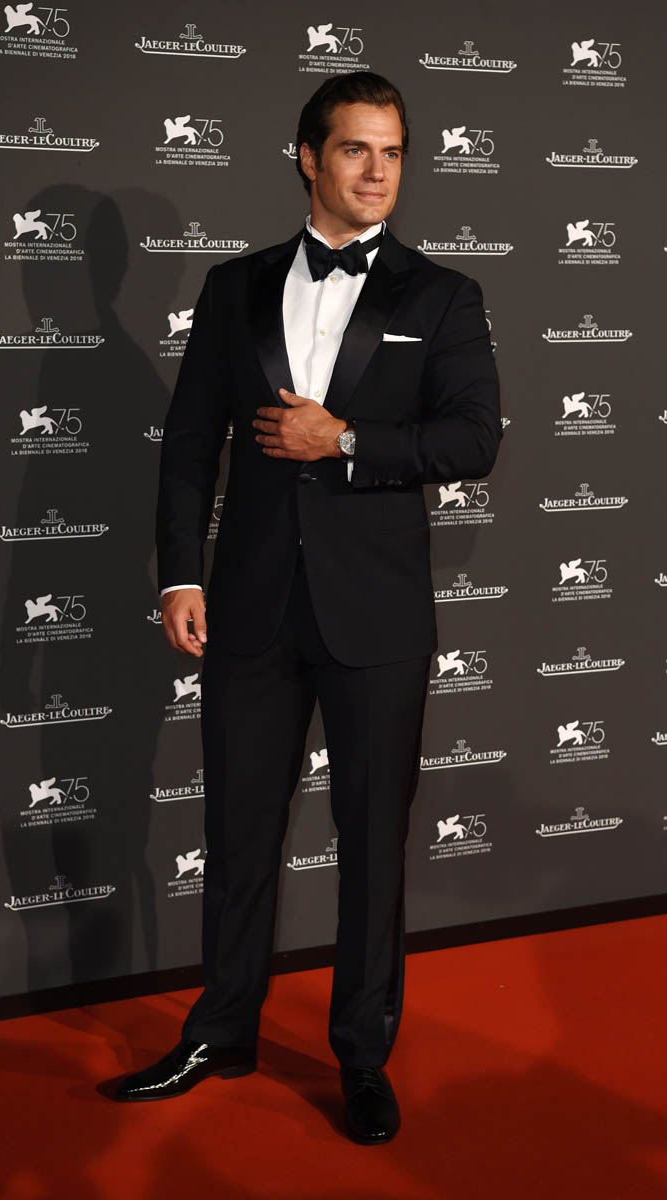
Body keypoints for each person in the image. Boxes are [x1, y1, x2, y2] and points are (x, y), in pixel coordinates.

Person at [115, 71, 501, 1145]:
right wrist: (180, 575)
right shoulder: (233, 287)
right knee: (237, 832)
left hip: (375, 614)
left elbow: (474, 439)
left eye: (393, 151)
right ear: (307, 157)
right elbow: (190, 445)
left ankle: (361, 1056)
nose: (378, 171)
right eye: (355, 149)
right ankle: (221, 1031)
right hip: (248, 607)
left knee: (371, 846)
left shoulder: (442, 295)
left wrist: (347, 440)